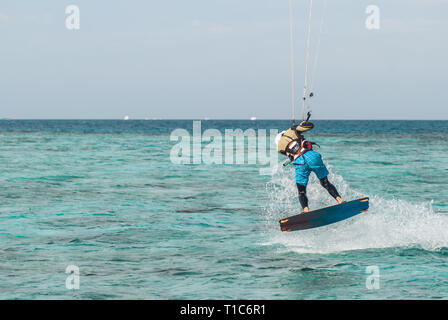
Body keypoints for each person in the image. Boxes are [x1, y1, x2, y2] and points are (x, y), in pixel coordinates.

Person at [277, 119, 343, 212]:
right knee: (325, 183)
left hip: (300, 163)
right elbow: (309, 126)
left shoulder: (279, 148)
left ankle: (306, 210)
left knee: (301, 191)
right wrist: (303, 125)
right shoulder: (292, 130)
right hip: (312, 157)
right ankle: (339, 200)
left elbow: (292, 155)